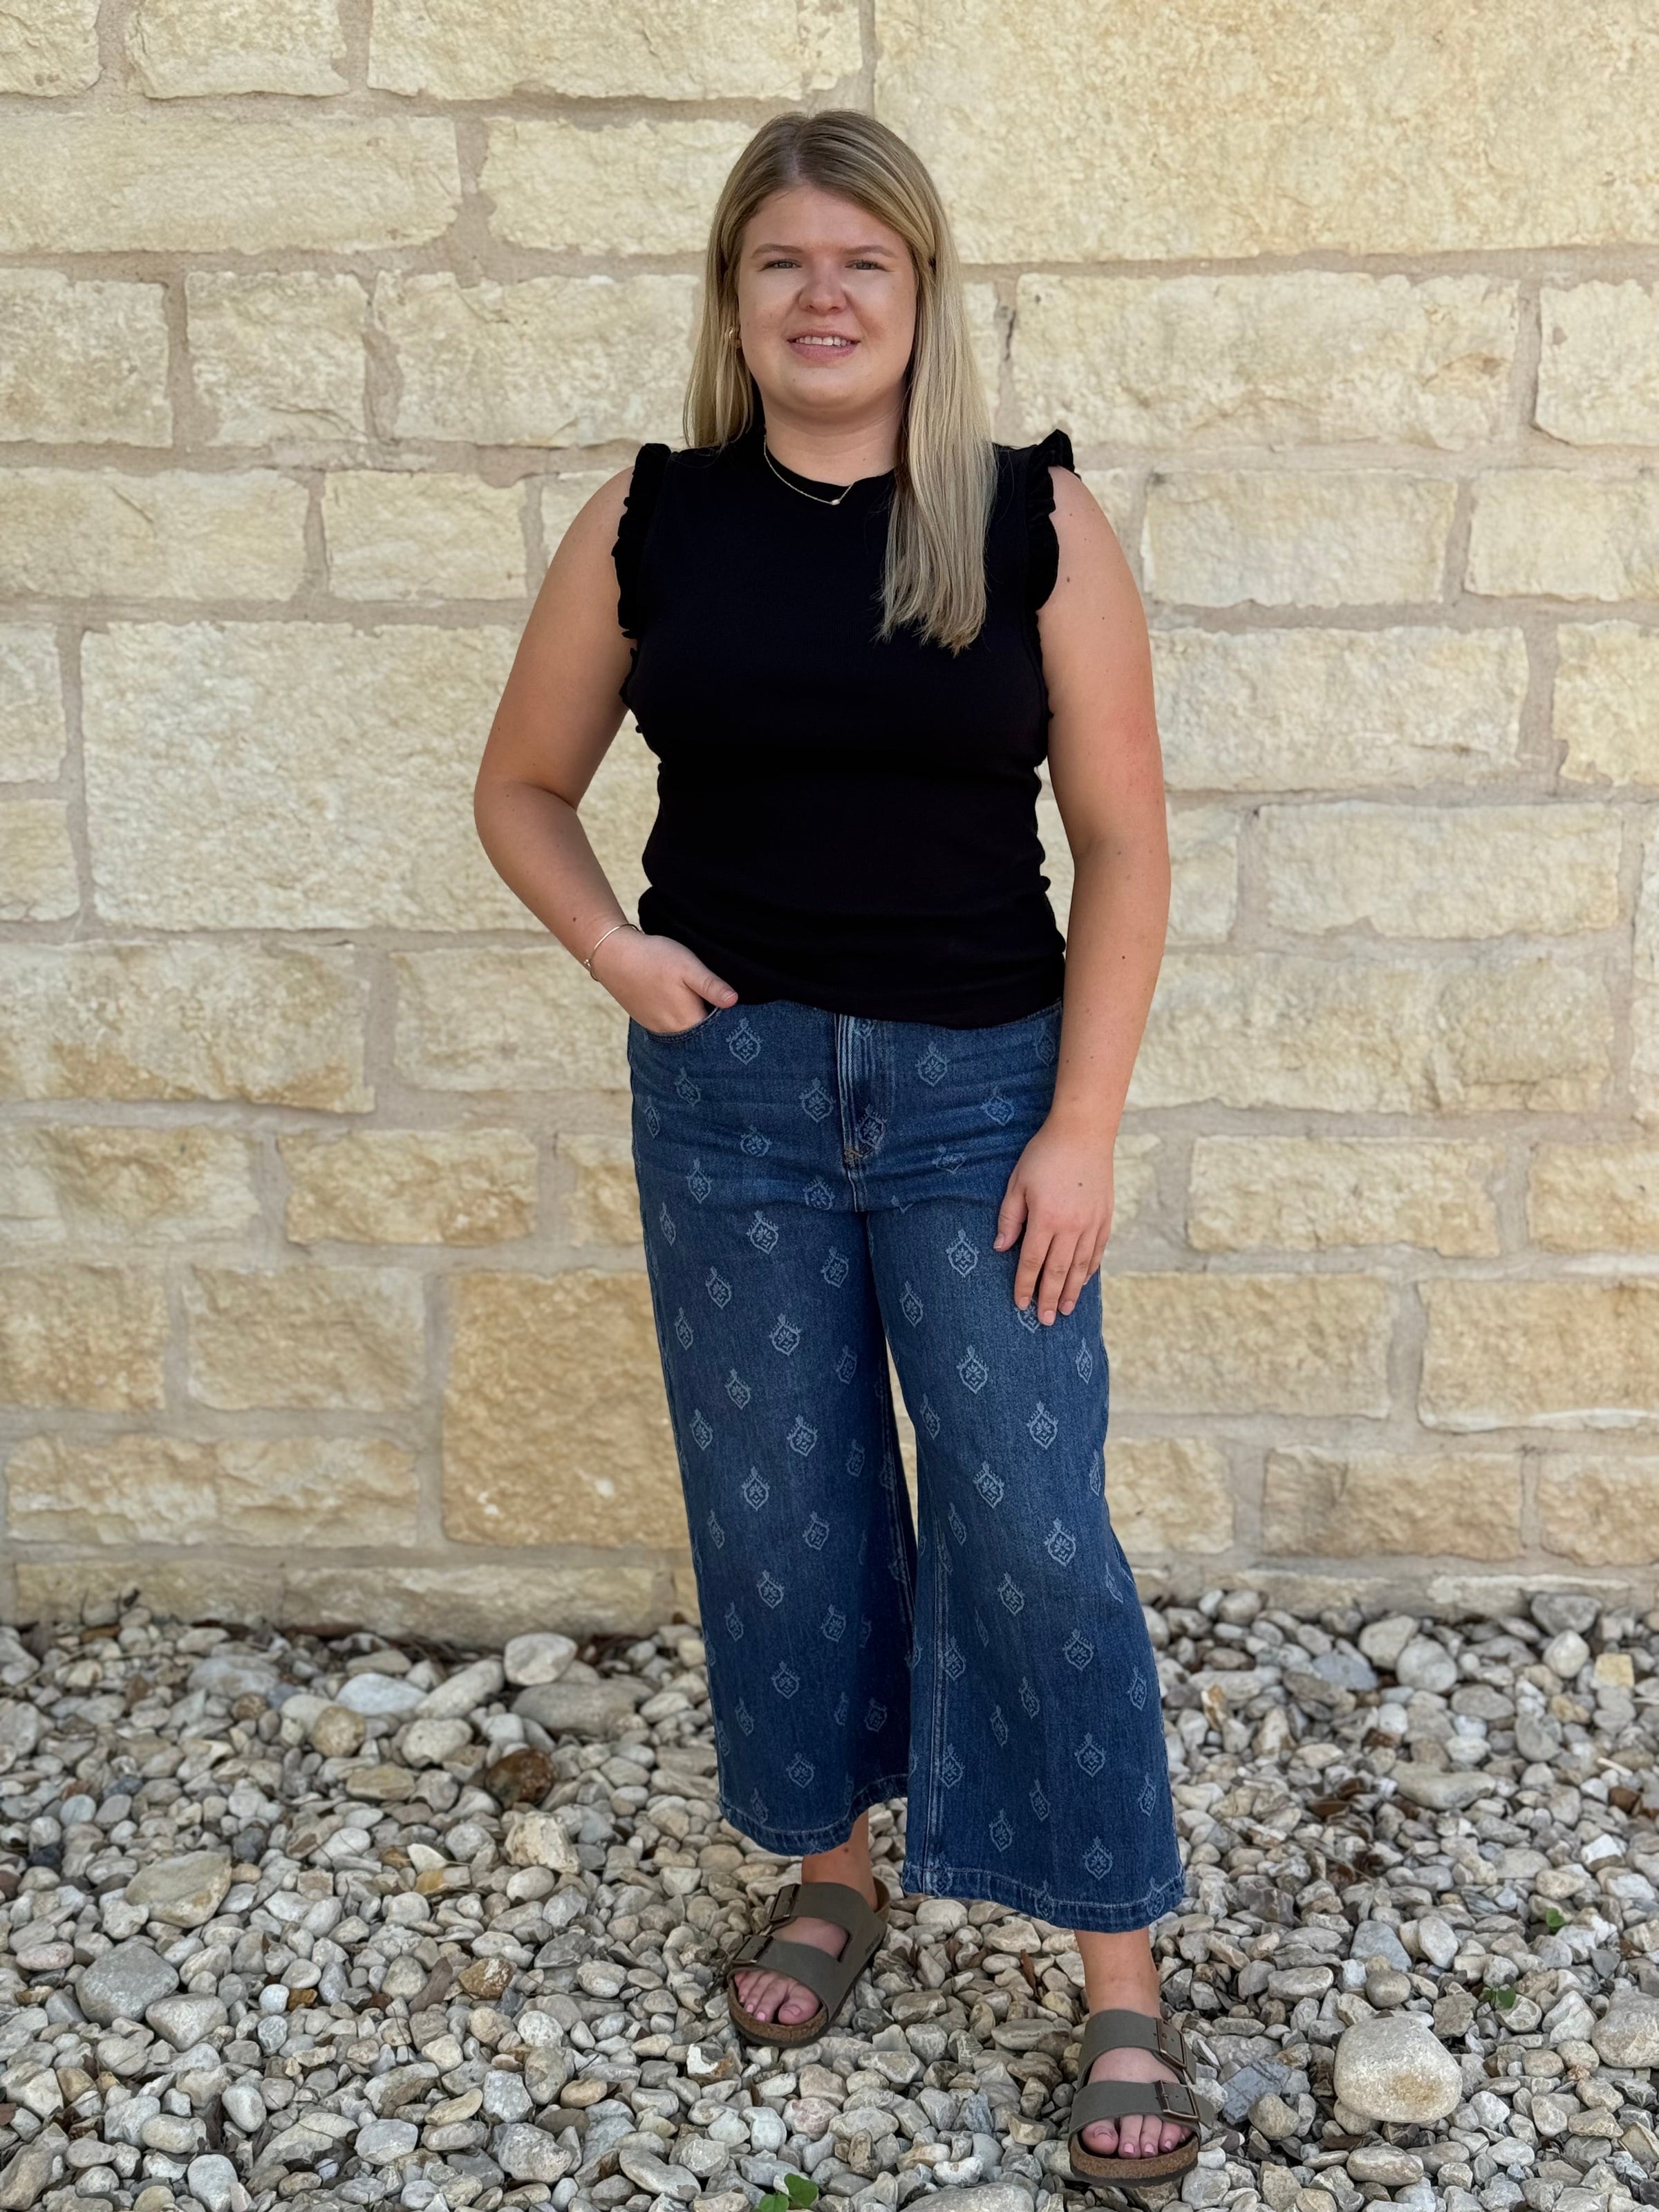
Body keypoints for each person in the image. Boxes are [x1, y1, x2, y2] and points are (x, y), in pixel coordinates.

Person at [474, 108, 1211, 2180]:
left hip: (984, 1100)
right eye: (783, 261)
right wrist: (615, 951)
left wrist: (1081, 1127)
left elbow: (1127, 838)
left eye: (862, 261)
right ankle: (831, 1870)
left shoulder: (1030, 515)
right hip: (734, 1100)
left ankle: (1121, 1970)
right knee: (781, 1511)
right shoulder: (653, 519)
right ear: (733, 297)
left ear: (920, 293)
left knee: (1031, 1521)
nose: (823, 296)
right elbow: (522, 786)